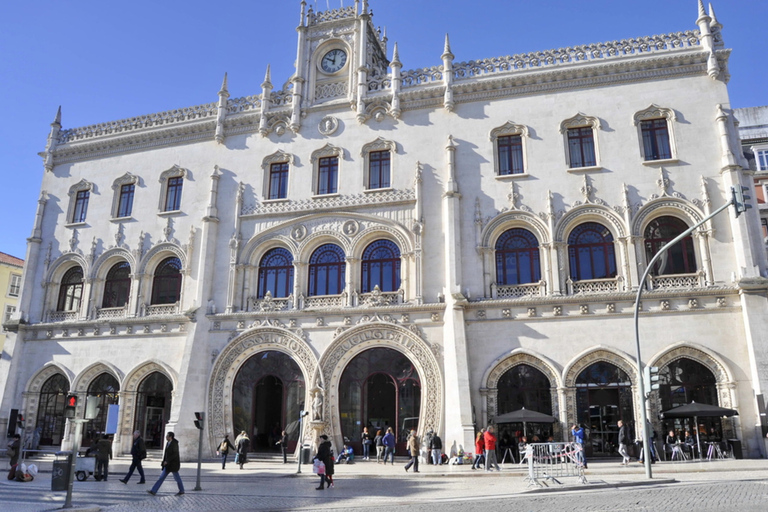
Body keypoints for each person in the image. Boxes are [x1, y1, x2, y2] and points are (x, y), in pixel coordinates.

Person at [147, 432, 184, 496]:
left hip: (173, 465)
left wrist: (167, 461)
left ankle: (182, 490)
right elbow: (166, 454)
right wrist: (164, 461)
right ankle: (153, 490)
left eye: (167, 436)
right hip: (168, 465)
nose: (166, 437)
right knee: (161, 478)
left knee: (177, 478)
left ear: (170, 437)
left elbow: (175, 454)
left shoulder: (174, 444)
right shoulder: (168, 443)